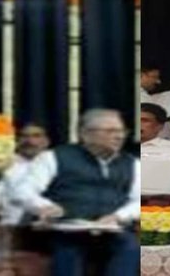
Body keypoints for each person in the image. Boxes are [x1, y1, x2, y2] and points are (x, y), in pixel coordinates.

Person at [12, 109, 138, 275]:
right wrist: (43, 206)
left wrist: (118, 216)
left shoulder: (132, 163)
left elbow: (140, 200)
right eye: (110, 131)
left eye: (121, 131)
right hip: (64, 229)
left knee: (130, 246)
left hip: (111, 230)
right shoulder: (54, 157)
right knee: (69, 248)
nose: (119, 136)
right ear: (85, 134)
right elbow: (22, 190)